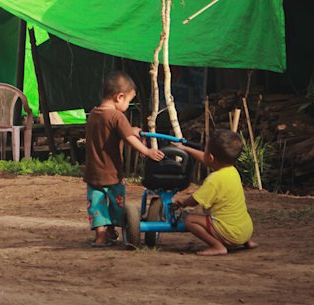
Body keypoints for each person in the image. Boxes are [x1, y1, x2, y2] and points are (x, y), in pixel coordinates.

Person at [84, 71, 164, 247]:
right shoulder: (117, 116)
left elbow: (116, 132)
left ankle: (102, 235)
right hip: (112, 173)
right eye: (128, 101)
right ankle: (113, 228)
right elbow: (128, 138)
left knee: (96, 203)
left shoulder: (94, 114)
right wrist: (148, 151)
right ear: (119, 97)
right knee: (115, 203)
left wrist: (130, 130)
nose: (128, 105)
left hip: (93, 172)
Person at [173, 129, 258, 256]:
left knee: (189, 220)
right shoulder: (233, 171)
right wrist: (185, 148)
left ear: (211, 157)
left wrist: (183, 202)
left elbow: (194, 201)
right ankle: (247, 241)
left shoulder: (213, 180)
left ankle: (218, 246)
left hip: (229, 233)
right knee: (234, 211)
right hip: (246, 230)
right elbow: (207, 159)